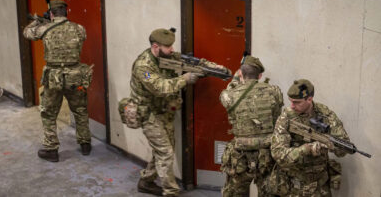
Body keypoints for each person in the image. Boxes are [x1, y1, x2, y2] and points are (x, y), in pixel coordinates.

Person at [130, 28, 230, 196]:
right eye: (168, 47)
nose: (173, 50)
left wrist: (218, 70)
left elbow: (195, 63)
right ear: (155, 46)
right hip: (148, 113)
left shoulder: (167, 56)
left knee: (164, 150)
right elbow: (159, 87)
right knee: (166, 153)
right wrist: (185, 79)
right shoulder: (143, 66)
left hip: (164, 111)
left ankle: (146, 181)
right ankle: (171, 192)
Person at [23, 0, 93, 162]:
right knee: (80, 110)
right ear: (65, 13)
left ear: (52, 13)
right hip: (75, 75)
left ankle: (51, 149)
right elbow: (80, 39)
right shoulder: (79, 28)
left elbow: (27, 33)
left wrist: (36, 21)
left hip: (53, 77)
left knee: (48, 113)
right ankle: (85, 144)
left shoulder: (44, 29)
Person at [271, 79, 350, 196]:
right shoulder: (286, 117)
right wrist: (307, 149)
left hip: (320, 185)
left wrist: (332, 145)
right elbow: (278, 153)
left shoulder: (326, 114)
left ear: (309, 99)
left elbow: (343, 150)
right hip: (293, 186)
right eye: (291, 101)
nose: (292, 106)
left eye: (297, 102)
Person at [219, 56, 284, 197]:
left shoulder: (229, 95)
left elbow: (227, 94)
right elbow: (277, 116)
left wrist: (235, 79)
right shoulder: (274, 91)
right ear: (260, 76)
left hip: (240, 154)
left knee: (234, 193)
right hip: (266, 153)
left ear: (241, 73)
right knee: (268, 192)